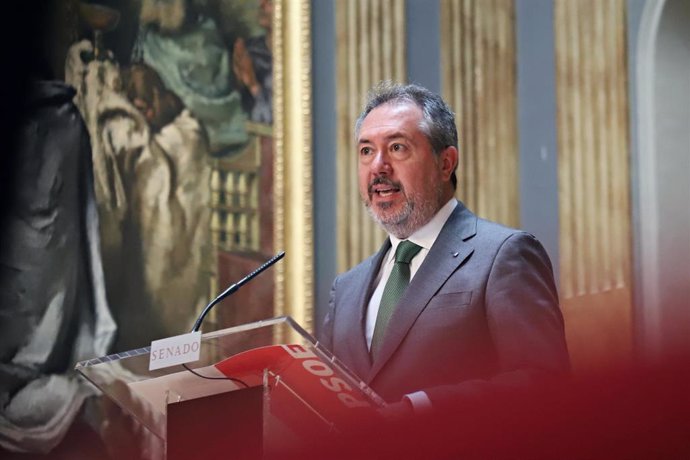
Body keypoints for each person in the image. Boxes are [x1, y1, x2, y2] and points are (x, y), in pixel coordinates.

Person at [320, 81, 570, 415]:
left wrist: (418, 409)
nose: (378, 166)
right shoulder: (347, 289)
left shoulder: (503, 255)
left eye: (396, 148)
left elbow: (544, 383)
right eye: (366, 151)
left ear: (445, 163)